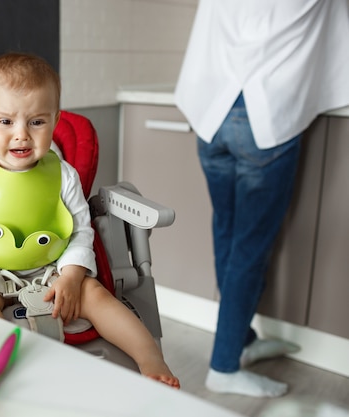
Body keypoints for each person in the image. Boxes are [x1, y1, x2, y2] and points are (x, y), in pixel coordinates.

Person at [0, 52, 180, 388]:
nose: (21, 135)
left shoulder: (64, 175)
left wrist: (72, 276)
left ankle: (150, 357)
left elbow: (80, 231)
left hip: (49, 271)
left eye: (36, 122)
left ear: (55, 118)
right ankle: (6, 371)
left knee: (97, 295)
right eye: (6, 122)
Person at [175, 0, 349, 398]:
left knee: (228, 233)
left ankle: (243, 340)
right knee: (249, 249)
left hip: (212, 116)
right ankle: (224, 366)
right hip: (263, 118)